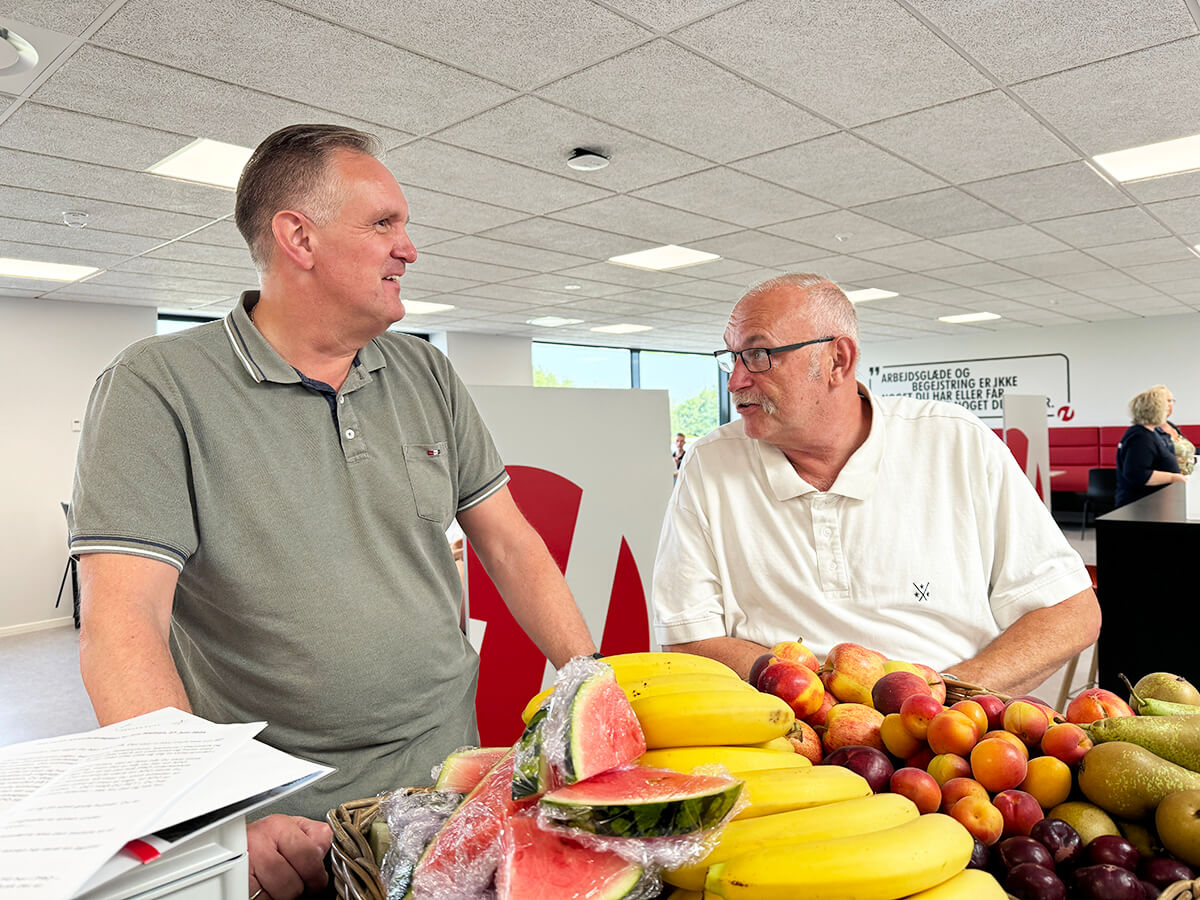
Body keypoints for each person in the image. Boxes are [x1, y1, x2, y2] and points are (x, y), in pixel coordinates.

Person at [68, 124, 597, 900]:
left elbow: (510, 542)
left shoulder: (426, 371)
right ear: (299, 238)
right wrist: (205, 824)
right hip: (284, 819)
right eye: (384, 223)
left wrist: (587, 681)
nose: (408, 248)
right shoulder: (159, 386)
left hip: (448, 778)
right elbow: (122, 622)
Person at [651, 273, 1100, 698]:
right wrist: (823, 705)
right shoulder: (710, 464)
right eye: (731, 357)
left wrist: (937, 701)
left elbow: (1071, 611)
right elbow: (688, 637)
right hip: (786, 727)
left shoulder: (956, 442)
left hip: (952, 723)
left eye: (758, 354)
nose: (735, 380)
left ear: (837, 360)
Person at [1115, 385, 1188, 507]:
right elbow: (1137, 474)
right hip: (1140, 505)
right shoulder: (1141, 437)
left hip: (1153, 503)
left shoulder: (1146, 433)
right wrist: (1173, 477)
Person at [1159, 386, 1195, 476]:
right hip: (1167, 481)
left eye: (1170, 401)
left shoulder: (1172, 426)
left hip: (1186, 479)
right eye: (1164, 401)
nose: (1168, 405)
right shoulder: (1149, 430)